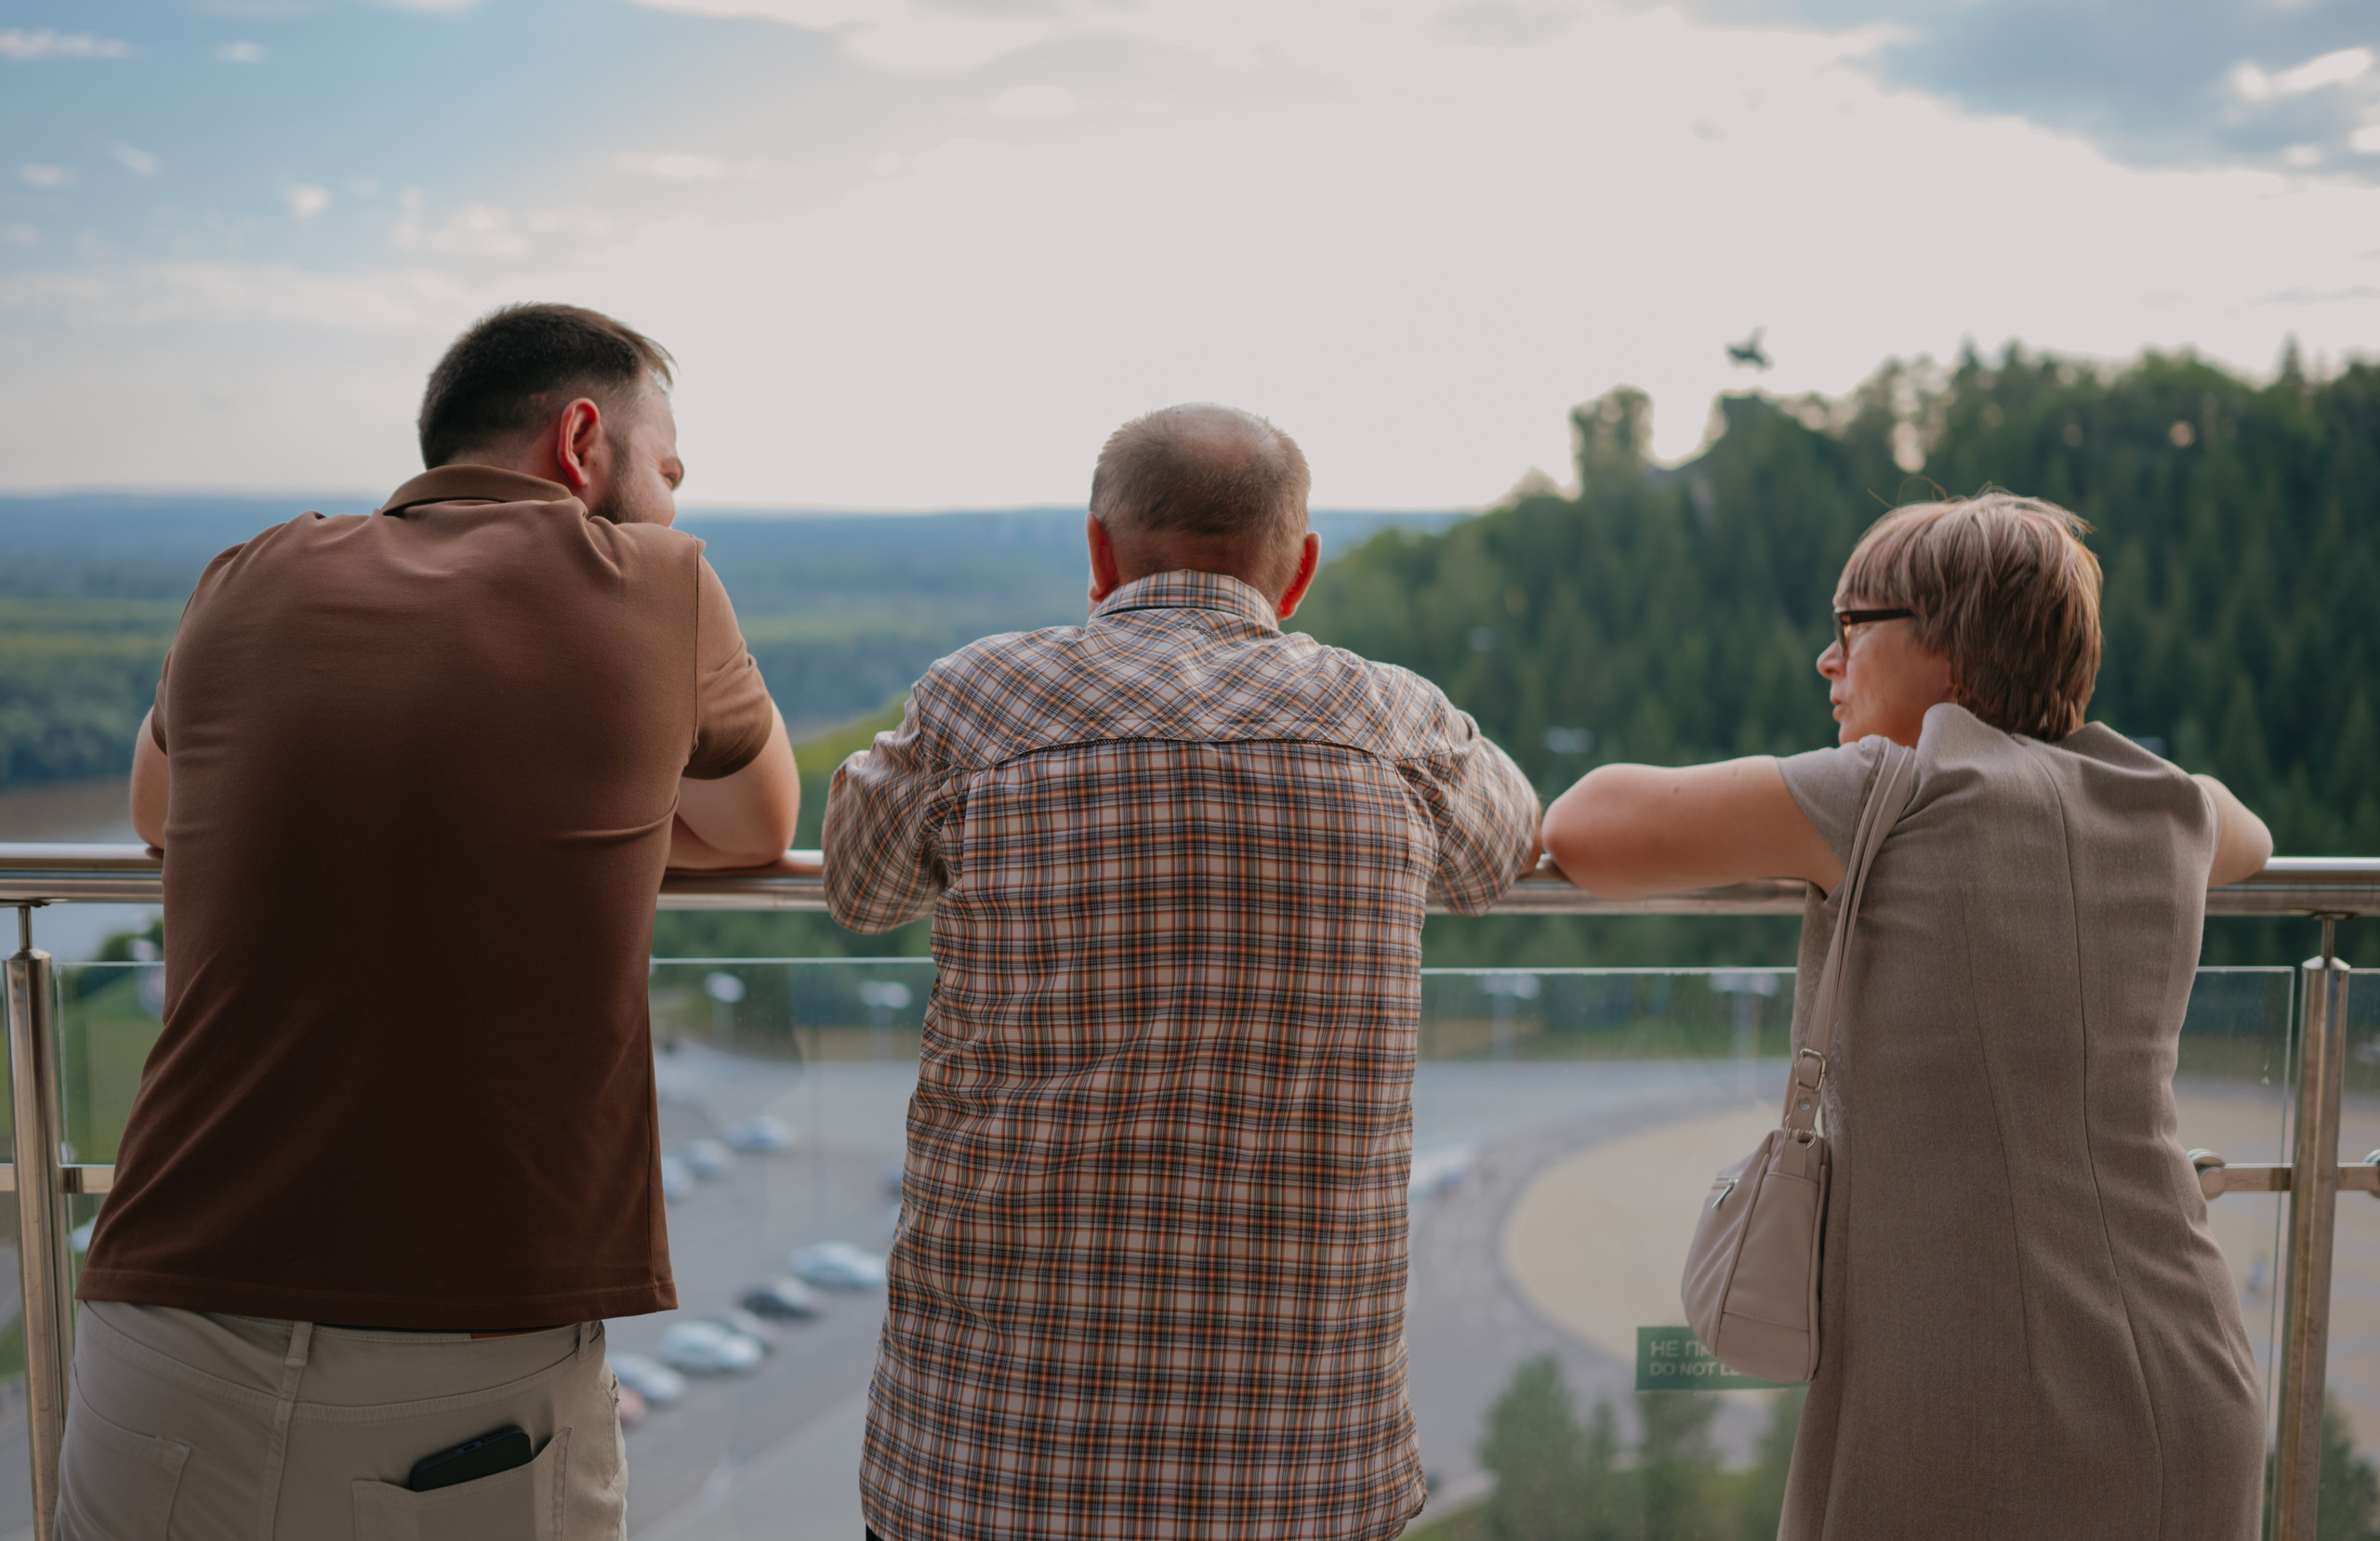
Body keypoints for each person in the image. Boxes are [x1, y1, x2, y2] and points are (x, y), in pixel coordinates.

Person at [66, 303, 800, 1540]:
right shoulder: (662, 581)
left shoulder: (247, 573)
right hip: (458, 1364)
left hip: (161, 1321)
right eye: (665, 466)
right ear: (584, 440)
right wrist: (584, 807)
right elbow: (757, 826)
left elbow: (157, 808)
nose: (671, 500)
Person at [824, 403, 1541, 1541]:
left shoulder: (977, 696)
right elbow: (1499, 856)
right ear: (1295, 571)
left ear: (1101, 553)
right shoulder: (1395, 719)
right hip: (1297, 1465)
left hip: (984, 1457)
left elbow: (858, 889)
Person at [1541, 492, 2271, 1541]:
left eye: (1852, 624)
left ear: (1953, 651)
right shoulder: (2161, 803)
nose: (1826, 662)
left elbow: (1586, 824)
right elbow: (2244, 830)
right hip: (2192, 1371)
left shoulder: (1893, 788)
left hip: (1969, 1390)